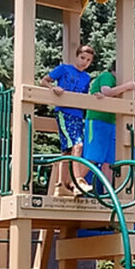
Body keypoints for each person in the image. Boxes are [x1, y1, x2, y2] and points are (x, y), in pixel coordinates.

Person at [40, 45, 94, 196]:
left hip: (78, 115)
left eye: (88, 60)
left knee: (67, 150)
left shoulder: (86, 78)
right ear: (77, 57)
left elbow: (84, 97)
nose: (84, 62)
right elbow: (43, 81)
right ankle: (78, 181)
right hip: (64, 112)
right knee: (78, 145)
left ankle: (61, 185)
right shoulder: (64, 69)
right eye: (82, 58)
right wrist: (53, 88)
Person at [82, 69, 135, 192]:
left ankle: (108, 192)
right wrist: (127, 86)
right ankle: (77, 181)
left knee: (109, 160)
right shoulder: (107, 76)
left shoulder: (117, 84)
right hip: (96, 120)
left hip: (110, 123)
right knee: (92, 155)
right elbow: (106, 91)